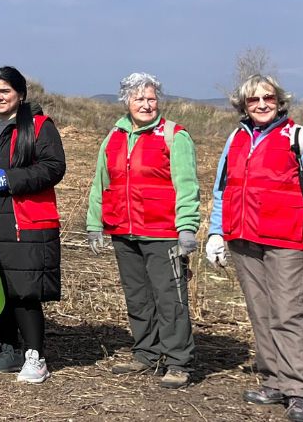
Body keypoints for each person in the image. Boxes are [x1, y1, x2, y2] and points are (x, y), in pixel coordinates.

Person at [205, 74, 303, 422]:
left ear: (279, 101)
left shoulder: (300, 139)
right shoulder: (236, 138)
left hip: (286, 240)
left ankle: (299, 392)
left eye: (268, 98)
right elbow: (223, 188)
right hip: (243, 239)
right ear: (243, 105)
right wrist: (216, 232)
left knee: (287, 314)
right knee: (260, 312)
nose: (262, 104)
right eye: (254, 99)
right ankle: (274, 380)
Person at [84, 73, 200, 389]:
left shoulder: (174, 135)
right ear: (127, 102)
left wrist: (187, 227)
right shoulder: (114, 136)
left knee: (170, 298)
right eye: (139, 99)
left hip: (163, 232)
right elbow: (101, 182)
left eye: (151, 98)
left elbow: (187, 186)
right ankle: (146, 353)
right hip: (124, 230)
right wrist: (95, 224)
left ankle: (177, 361)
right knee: (137, 297)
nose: (146, 105)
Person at [0, 66, 66, 384]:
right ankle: (8, 349)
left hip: (21, 219)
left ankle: (35, 357)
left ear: (21, 94)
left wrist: (10, 179)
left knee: (24, 290)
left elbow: (53, 167)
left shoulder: (38, 126)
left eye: (6, 91)